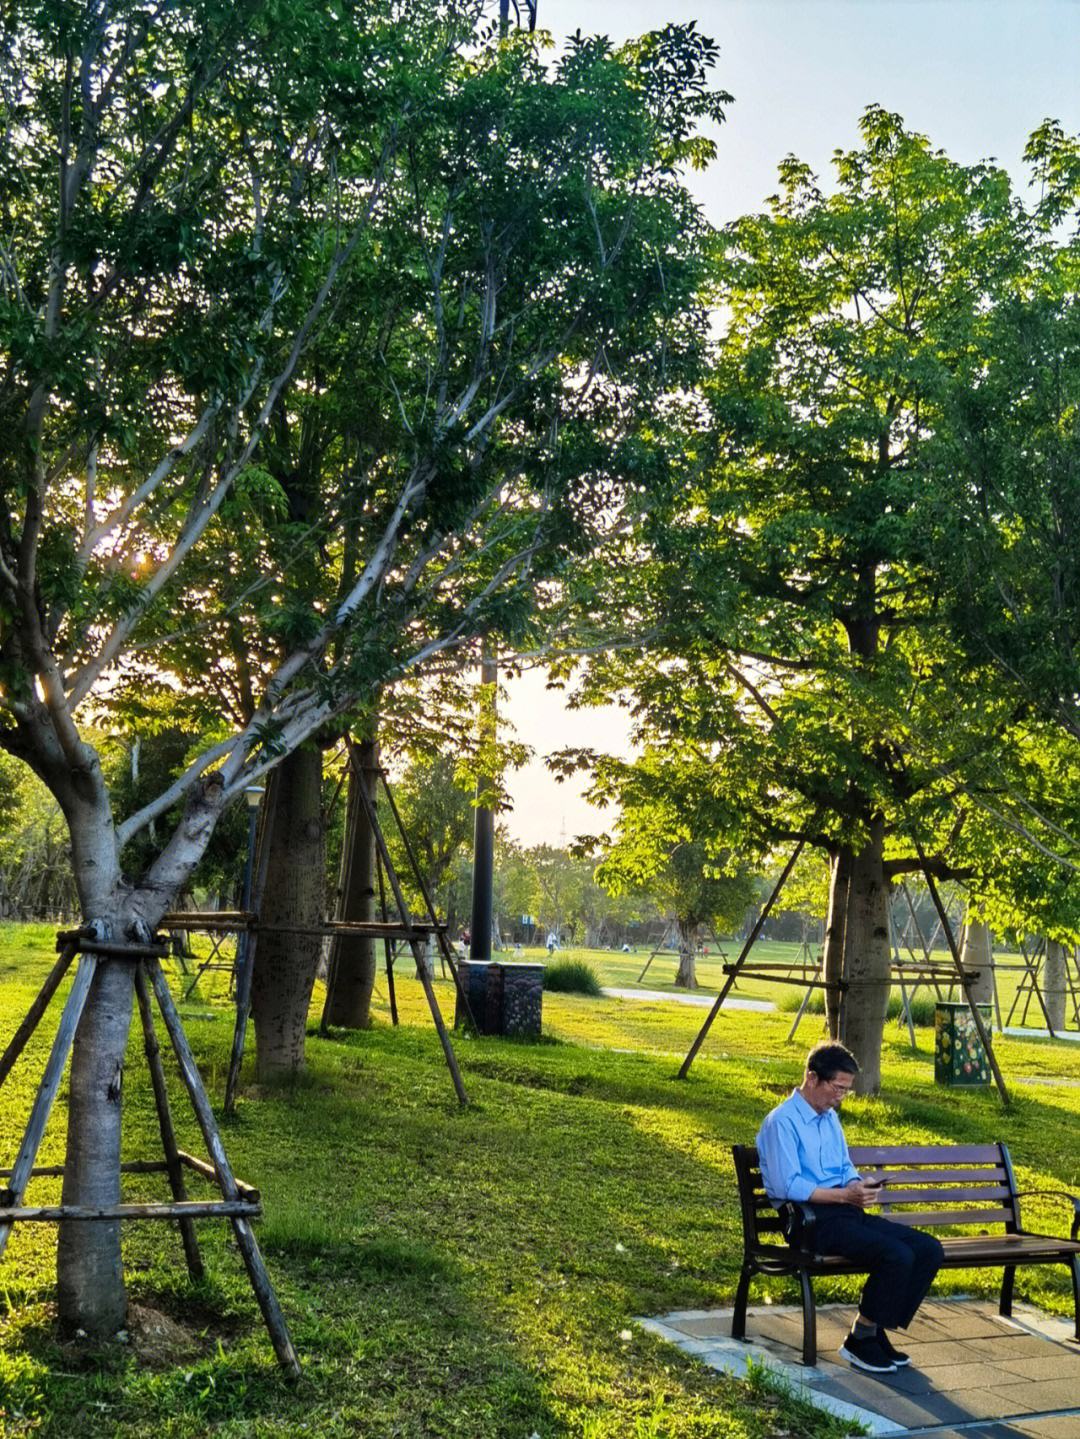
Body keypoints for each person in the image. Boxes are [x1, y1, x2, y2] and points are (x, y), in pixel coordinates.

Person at [755, 1041, 944, 1376]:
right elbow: (789, 1186)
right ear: (812, 1078)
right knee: (895, 1255)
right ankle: (861, 1339)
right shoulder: (781, 1122)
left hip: (845, 1213)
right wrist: (844, 1196)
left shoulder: (829, 1119)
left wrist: (858, 1185)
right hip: (809, 1222)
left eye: (846, 1090)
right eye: (837, 1088)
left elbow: (844, 1167)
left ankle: (873, 1328)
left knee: (928, 1249)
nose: (841, 1097)